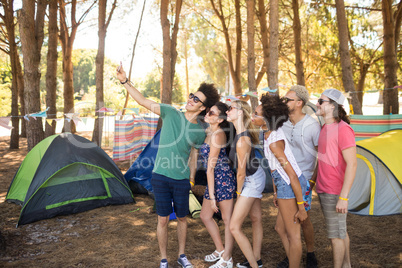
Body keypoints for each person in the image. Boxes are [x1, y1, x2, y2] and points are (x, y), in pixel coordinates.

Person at [116, 65, 220, 268]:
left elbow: (194, 155)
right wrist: (124, 81)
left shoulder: (199, 131)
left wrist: (190, 179)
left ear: (202, 108)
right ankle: (164, 259)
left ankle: (182, 256)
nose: (190, 99)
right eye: (192, 95)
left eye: (196, 99)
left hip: (181, 180)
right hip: (160, 176)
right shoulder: (171, 112)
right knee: (162, 220)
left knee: (182, 219)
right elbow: (144, 101)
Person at [255, 93, 308, 268]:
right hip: (283, 184)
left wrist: (301, 207)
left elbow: (291, 175)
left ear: (266, 119)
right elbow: (274, 168)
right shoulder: (269, 133)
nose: (253, 117)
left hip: (290, 185)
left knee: (294, 236)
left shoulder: (274, 143)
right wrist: (276, 192)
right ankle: (293, 259)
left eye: (256, 115)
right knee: (280, 228)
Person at [312, 88, 357, 268]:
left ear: (331, 106)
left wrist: (343, 197)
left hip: (334, 191)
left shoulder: (343, 129)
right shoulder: (325, 127)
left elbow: (352, 164)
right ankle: (346, 265)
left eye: (320, 101)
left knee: (335, 236)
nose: (317, 103)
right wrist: (313, 182)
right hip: (323, 189)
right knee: (340, 231)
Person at [278, 85, 320, 268]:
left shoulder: (312, 125)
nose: (284, 102)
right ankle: (292, 254)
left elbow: (321, 155)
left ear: (299, 102)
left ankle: (310, 253)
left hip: (304, 179)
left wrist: (312, 180)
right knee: (285, 224)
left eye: (288, 99)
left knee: (304, 220)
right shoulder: (281, 123)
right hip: (285, 177)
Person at [226, 100, 266, 268]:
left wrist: (238, 193)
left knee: (234, 227)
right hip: (256, 175)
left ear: (240, 112)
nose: (227, 111)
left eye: (230, 108)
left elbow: (241, 173)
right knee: (256, 218)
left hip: (252, 180)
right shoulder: (240, 133)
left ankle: (254, 265)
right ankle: (256, 259)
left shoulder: (242, 139)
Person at [199, 102, 236, 268]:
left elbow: (211, 167)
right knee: (205, 216)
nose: (207, 114)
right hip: (214, 179)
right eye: (208, 111)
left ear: (220, 119)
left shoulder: (218, 134)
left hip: (223, 179)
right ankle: (221, 250)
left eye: (212, 113)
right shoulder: (210, 132)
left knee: (228, 221)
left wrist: (212, 196)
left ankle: (227, 259)